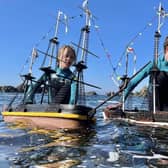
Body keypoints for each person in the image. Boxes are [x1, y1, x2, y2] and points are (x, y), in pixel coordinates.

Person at [122, 36, 168, 111]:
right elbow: (134, 81)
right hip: (155, 99)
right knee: (160, 75)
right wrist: (121, 102)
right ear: (166, 49)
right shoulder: (155, 63)